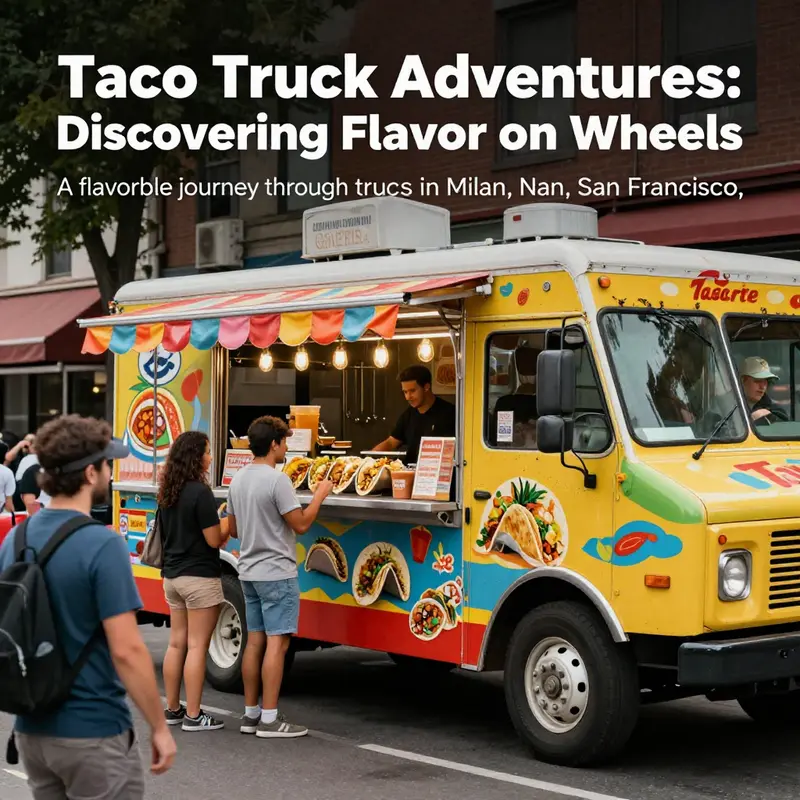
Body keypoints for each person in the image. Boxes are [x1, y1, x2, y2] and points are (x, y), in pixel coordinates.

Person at [0, 414, 176, 799]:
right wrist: (159, 727)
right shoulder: (102, 544)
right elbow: (127, 650)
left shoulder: (16, 538)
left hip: (31, 730)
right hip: (92, 732)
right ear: (90, 473)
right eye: (107, 464)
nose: (110, 473)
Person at [225, 415, 333, 738]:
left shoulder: (237, 479)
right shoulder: (277, 481)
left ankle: (251, 714)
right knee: (278, 643)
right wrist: (320, 495)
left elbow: (233, 529)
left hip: (248, 571)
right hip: (276, 573)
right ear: (274, 444)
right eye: (284, 442)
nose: (286, 448)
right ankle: (270, 719)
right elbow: (301, 524)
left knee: (254, 641)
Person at [158, 431, 228, 732]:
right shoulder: (200, 492)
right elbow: (213, 539)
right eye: (207, 452)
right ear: (196, 457)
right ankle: (195, 715)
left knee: (176, 644)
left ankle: (173, 709)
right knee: (198, 647)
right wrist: (226, 521)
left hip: (172, 577)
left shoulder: (168, 490)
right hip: (199, 577)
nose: (210, 457)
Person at [372, 365, 456, 464]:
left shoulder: (449, 413)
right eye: (405, 392)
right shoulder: (407, 415)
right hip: (409, 470)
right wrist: (368, 460)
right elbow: (391, 442)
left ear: (426, 387)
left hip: (436, 471)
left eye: (412, 391)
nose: (408, 397)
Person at [740, 356, 788, 425]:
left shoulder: (776, 412)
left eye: (766, 381)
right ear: (743, 381)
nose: (763, 386)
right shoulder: (726, 409)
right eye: (757, 380)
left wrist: (771, 418)